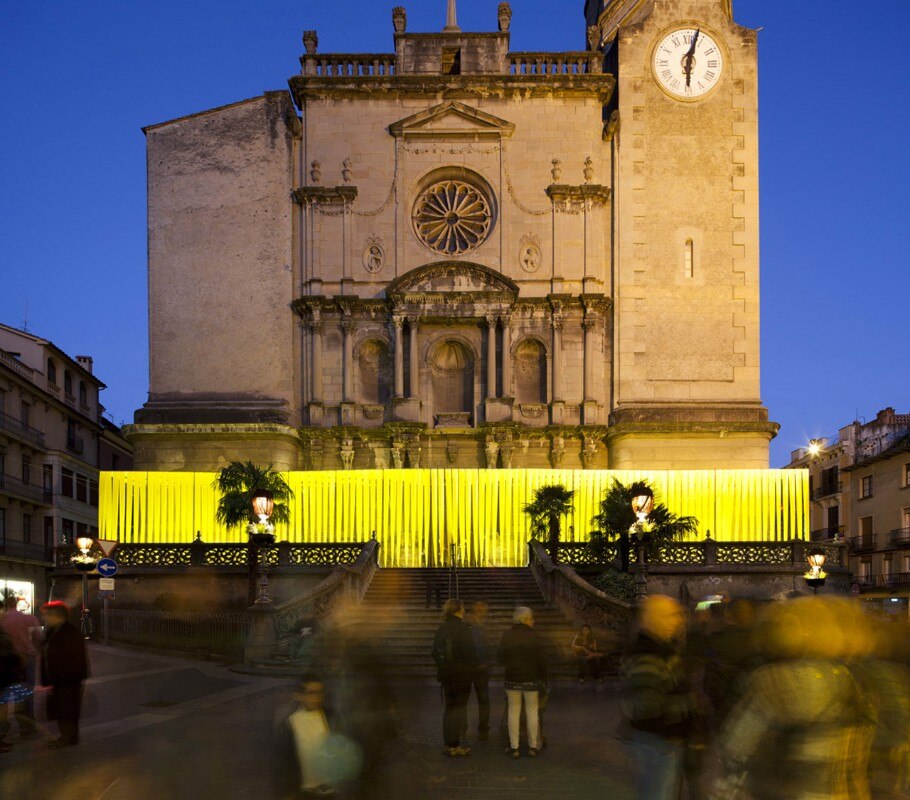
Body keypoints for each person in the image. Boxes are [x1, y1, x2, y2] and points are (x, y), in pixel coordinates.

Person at [620, 594, 693, 800]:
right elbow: (647, 703)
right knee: (658, 793)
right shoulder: (647, 653)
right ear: (653, 619)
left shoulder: (662, 647)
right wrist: (673, 730)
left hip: (661, 738)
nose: (678, 620)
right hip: (658, 740)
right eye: (671, 615)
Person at [431, 598, 478, 757]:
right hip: (462, 676)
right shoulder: (463, 629)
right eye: (463, 608)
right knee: (458, 709)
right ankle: (454, 745)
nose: (464, 611)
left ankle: (448, 744)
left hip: (447, 675)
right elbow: (469, 652)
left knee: (449, 708)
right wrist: (471, 668)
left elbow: (434, 652)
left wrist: (444, 666)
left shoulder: (442, 628)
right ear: (458, 610)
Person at [498, 606, 546, 759]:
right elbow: (542, 660)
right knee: (532, 712)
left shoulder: (507, 634)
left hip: (512, 678)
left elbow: (500, 657)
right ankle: (533, 746)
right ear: (525, 619)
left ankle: (514, 747)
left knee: (513, 711)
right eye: (531, 618)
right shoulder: (535, 636)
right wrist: (542, 678)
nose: (533, 621)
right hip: (531, 679)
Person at [40, 600, 89, 748]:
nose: (45, 618)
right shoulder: (52, 631)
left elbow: (75, 658)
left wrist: (64, 678)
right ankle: (69, 737)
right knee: (62, 709)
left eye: (48, 615)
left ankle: (67, 738)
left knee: (67, 710)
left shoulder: (70, 632)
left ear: (58, 616)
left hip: (68, 680)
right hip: (59, 680)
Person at [284, 675, 337, 798]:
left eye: (320, 693)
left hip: (330, 789)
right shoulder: (291, 722)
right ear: (298, 696)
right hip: (305, 791)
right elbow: (285, 760)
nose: (317, 697)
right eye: (311, 693)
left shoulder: (331, 717)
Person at [0, 596, 40, 741]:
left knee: (3, 693)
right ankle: (26, 726)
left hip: (4, 660)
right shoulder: (30, 619)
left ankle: (2, 726)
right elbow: (38, 638)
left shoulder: (2, 619)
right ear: (17, 604)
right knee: (26, 692)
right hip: (26, 659)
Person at [465, 601, 490, 741]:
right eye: (479, 608)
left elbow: (487, 646)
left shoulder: (484, 626)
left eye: (483, 608)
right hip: (471, 667)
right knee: (466, 698)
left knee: (484, 700)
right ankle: (463, 727)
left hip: (482, 668)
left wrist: (486, 662)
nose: (482, 611)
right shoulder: (468, 626)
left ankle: (483, 729)